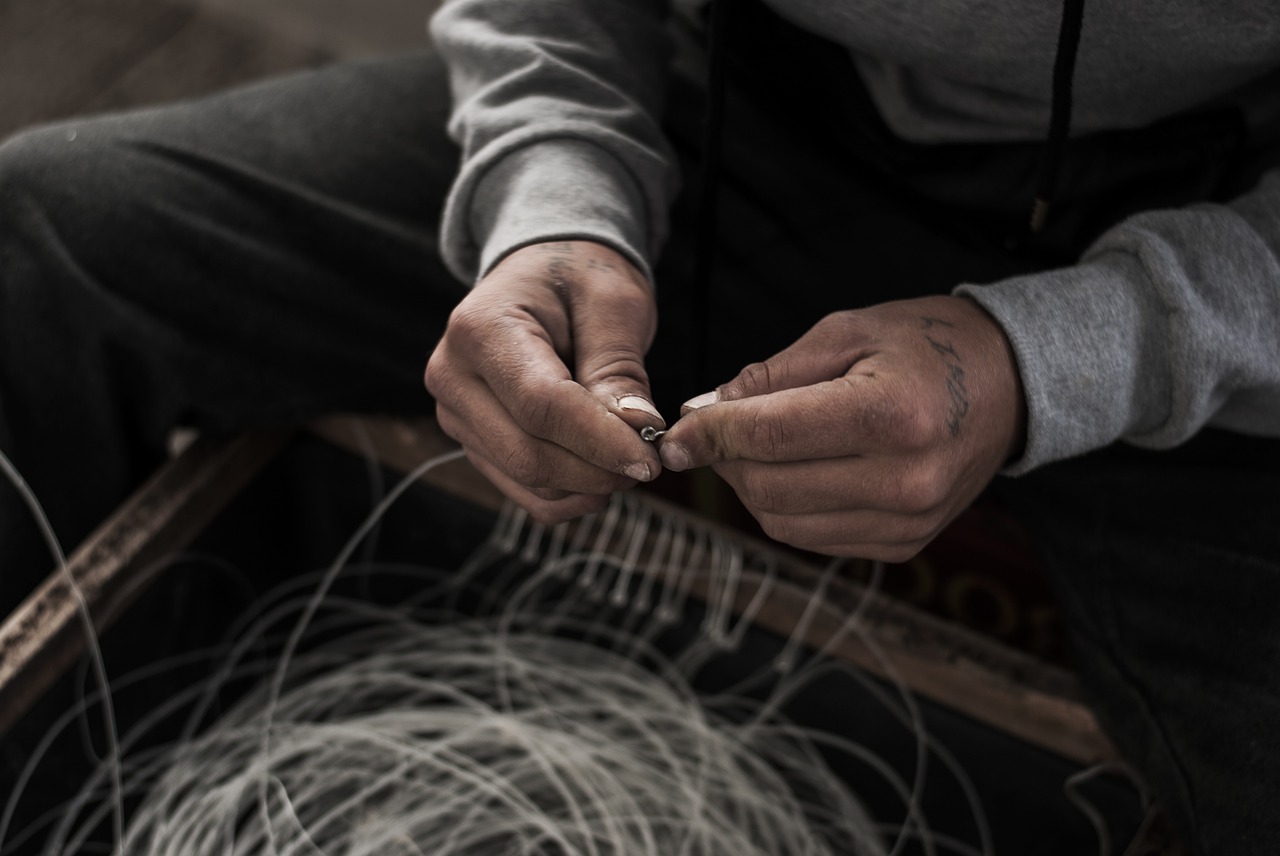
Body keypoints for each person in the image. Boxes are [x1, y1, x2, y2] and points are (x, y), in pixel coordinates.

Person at [1, 0, 1277, 851]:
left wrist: (1066, 354)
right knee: (51, 239)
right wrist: (551, 204)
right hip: (719, 102)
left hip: (1219, 245)